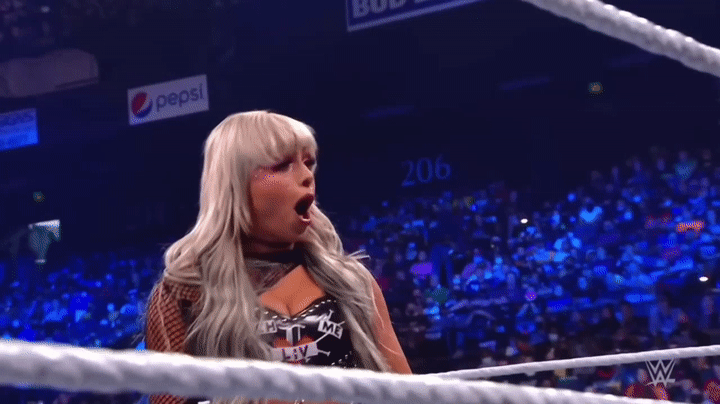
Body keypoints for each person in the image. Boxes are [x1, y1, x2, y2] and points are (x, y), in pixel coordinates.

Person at [144, 111, 412, 404]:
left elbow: (409, 395)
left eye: (308, 163)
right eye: (283, 165)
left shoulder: (351, 282)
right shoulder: (183, 293)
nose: (307, 176)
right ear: (235, 185)